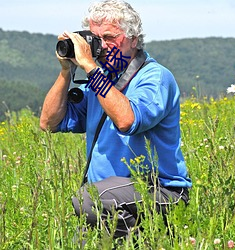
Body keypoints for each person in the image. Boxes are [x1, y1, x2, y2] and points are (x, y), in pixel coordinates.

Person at [40, 0, 192, 244]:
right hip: (110, 199)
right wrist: (66, 70)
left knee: (88, 200)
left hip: (160, 192)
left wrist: (90, 67)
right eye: (95, 38)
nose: (101, 46)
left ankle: (146, 241)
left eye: (110, 37)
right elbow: (49, 123)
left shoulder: (154, 77)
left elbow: (127, 120)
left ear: (133, 38)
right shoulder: (99, 82)